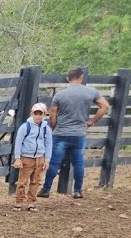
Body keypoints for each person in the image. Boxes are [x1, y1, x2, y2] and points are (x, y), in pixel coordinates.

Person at [41, 66, 110, 199]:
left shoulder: (60, 94)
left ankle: (46, 189)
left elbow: (53, 115)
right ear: (81, 77)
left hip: (61, 133)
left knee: (54, 162)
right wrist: (92, 121)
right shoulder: (91, 92)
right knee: (78, 162)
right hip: (79, 133)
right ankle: (77, 190)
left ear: (68, 79)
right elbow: (105, 106)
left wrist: (53, 128)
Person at [11, 102, 53, 211]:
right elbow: (18, 142)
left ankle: (31, 202)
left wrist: (47, 159)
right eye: (36, 113)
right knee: (22, 181)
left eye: (40, 114)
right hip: (27, 158)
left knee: (36, 181)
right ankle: (19, 201)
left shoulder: (46, 129)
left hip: (40, 158)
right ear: (32, 114)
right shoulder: (25, 127)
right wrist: (18, 158)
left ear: (44, 115)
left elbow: (49, 144)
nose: (38, 116)